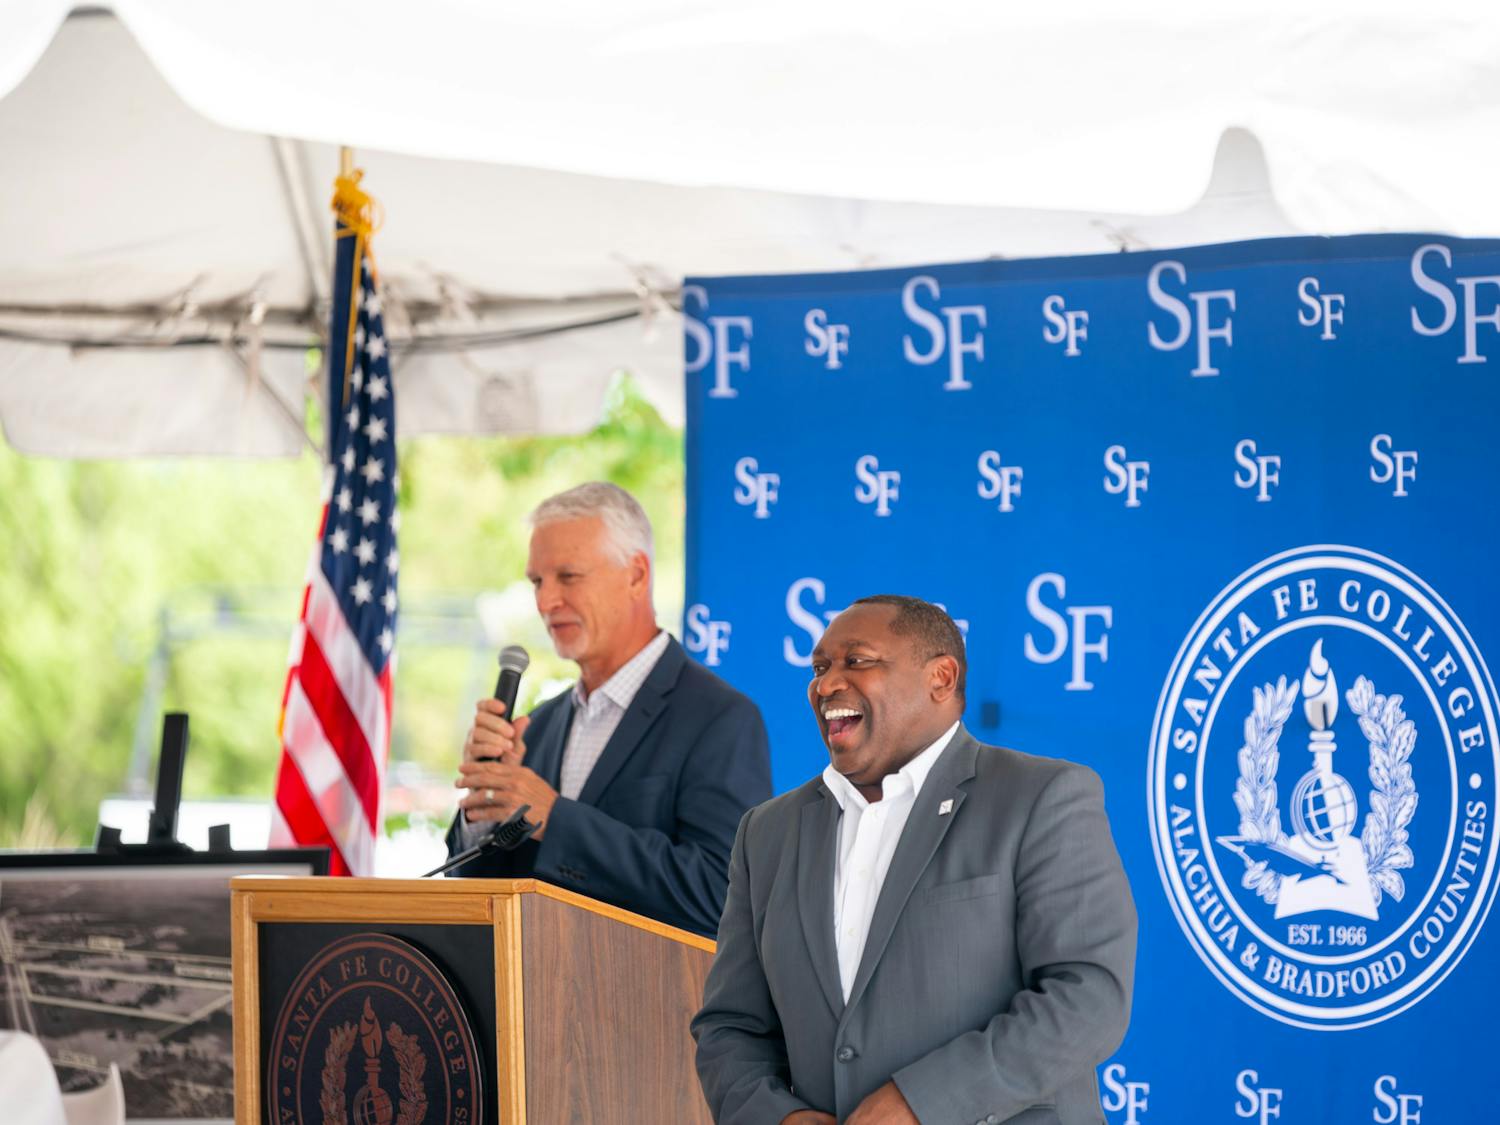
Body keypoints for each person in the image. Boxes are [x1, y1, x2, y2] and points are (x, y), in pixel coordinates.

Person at [693, 595, 1137, 1124]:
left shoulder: (1042, 797)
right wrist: (778, 1117)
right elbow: (730, 1026)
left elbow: (1088, 998)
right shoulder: (766, 832)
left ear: (941, 679)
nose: (826, 684)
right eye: (819, 667)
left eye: (857, 661)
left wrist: (921, 1104)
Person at [443, 482, 772, 936]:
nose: (545, 601)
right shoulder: (535, 728)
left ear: (636, 574)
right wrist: (487, 810)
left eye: (568, 576)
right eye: (537, 581)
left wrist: (554, 819)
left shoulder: (720, 719)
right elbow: (478, 896)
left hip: (649, 1001)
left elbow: (720, 895)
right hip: (529, 999)